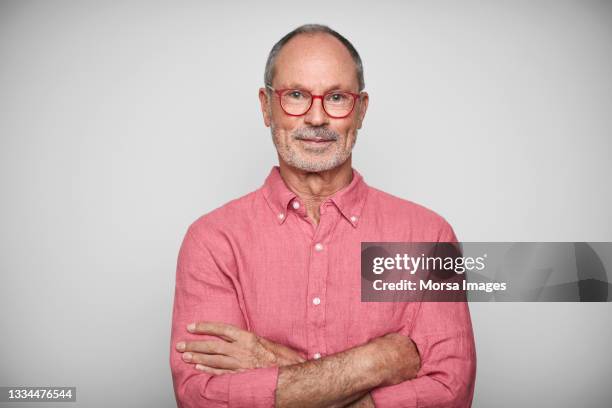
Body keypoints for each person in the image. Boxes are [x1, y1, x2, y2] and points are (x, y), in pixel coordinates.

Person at [170, 24, 476, 408]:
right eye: (295, 95)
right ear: (266, 107)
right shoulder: (213, 241)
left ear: (361, 110)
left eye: (336, 97)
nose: (316, 118)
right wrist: (377, 361)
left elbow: (451, 393)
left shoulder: (428, 235)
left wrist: (271, 362)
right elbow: (203, 399)